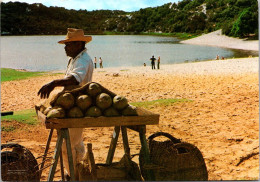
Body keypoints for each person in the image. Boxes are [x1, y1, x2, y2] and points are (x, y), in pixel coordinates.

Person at [37, 28, 93, 180]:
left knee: (67, 146)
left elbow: (75, 79)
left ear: (78, 44)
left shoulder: (82, 60)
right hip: (73, 105)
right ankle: (77, 173)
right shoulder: (75, 58)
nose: (65, 48)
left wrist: (53, 83)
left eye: (68, 45)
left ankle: (73, 176)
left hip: (77, 107)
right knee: (77, 143)